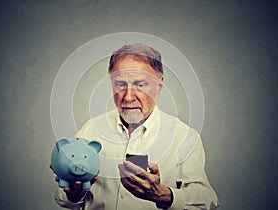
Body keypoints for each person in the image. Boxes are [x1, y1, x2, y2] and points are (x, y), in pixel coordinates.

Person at [53, 43, 219, 210]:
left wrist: (163, 195)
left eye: (140, 85)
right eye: (120, 84)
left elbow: (207, 202)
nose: (128, 96)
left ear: (159, 86)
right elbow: (64, 198)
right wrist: (73, 193)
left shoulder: (184, 136)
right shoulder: (92, 129)